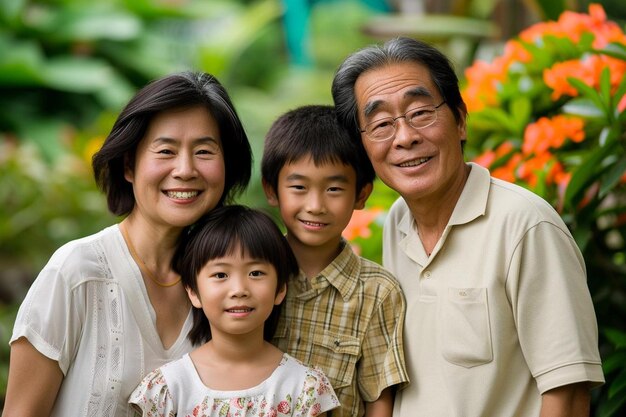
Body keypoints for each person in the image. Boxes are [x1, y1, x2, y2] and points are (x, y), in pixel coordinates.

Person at [331, 36, 605, 416]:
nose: (406, 137)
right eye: (380, 124)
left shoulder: (524, 224)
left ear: (459, 120)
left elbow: (569, 394)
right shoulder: (397, 222)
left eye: (421, 112)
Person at [3, 71, 253, 417]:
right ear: (129, 165)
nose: (185, 169)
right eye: (166, 150)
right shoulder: (77, 272)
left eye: (204, 151)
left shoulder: (231, 283)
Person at [261, 104, 409, 417]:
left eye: (334, 188)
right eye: (299, 187)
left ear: (361, 194)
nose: (315, 205)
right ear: (272, 190)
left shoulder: (377, 293)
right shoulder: (251, 276)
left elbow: (378, 400)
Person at [129, 205, 340, 416]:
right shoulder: (168, 389)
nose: (239, 290)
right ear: (193, 291)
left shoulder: (304, 388)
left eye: (256, 273)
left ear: (280, 289)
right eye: (221, 275)